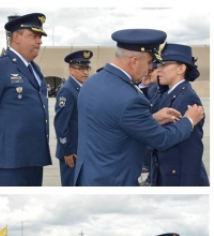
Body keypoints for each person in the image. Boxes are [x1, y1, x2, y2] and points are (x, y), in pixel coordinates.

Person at [74, 29, 205, 186]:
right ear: (134, 61)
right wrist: (189, 120)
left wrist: (151, 119)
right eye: (150, 62)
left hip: (88, 175)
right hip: (114, 180)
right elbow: (162, 139)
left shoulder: (92, 83)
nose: (151, 69)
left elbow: (112, 122)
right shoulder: (130, 98)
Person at [0, 13, 51, 186]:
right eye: (33, 36)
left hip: (34, 157)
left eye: (40, 37)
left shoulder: (35, 70)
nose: (39, 41)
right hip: (6, 159)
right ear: (16, 37)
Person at [151, 44, 209, 186]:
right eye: (159, 64)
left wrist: (188, 187)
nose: (159, 69)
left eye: (164, 64)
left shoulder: (186, 98)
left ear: (181, 69)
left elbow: (191, 151)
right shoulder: (168, 94)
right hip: (166, 174)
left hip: (179, 179)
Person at [54, 50, 92, 186]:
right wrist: (68, 151)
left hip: (82, 150)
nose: (85, 72)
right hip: (72, 153)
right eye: (80, 68)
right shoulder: (67, 90)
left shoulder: (82, 88)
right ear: (71, 70)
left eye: (87, 68)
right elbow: (61, 124)